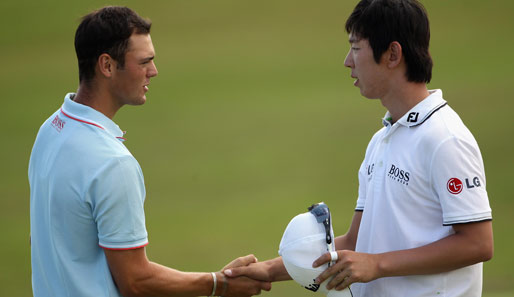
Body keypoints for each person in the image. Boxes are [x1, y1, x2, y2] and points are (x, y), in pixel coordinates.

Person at [223, 0, 493, 296]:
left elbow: (477, 244)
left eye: (356, 48)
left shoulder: (444, 139)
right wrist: (270, 269)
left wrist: (377, 264)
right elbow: (356, 241)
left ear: (392, 54)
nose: (347, 61)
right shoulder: (382, 140)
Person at [28, 6, 270, 297]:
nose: (153, 71)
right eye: (144, 62)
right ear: (106, 66)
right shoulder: (112, 163)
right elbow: (135, 281)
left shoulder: (51, 129)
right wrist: (220, 283)